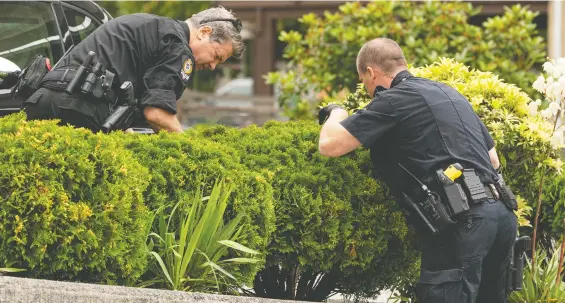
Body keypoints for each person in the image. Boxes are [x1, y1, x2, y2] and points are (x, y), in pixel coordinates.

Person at [317, 38, 517, 302]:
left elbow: (330, 145)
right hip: (502, 217)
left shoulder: (393, 101)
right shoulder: (449, 93)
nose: (366, 88)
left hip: (464, 223)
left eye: (363, 81)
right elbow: (493, 160)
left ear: (370, 72)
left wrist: (337, 112)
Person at [22, 6, 244, 133]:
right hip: (77, 111)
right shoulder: (178, 47)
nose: (213, 66)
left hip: (42, 101)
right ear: (204, 32)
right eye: (216, 56)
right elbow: (157, 114)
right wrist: (189, 150)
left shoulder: (149, 25)